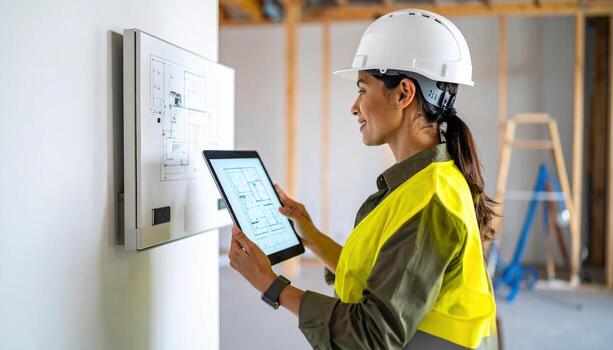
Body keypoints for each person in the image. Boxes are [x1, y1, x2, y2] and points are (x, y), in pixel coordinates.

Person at [227, 8, 498, 349]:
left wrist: (270, 284)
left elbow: (370, 334)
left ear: (403, 93)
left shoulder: (429, 201)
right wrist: (311, 235)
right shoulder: (427, 182)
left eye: (362, 88)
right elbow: (384, 277)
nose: (354, 107)